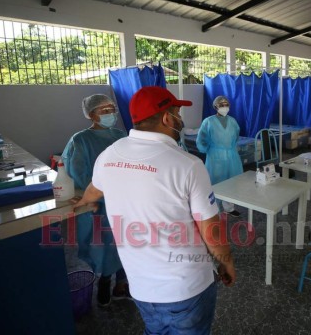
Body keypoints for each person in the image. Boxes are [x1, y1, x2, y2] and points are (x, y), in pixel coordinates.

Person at [72, 86, 236, 335]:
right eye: (178, 113)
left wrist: (86, 202)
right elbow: (210, 228)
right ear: (167, 118)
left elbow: (93, 191)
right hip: (186, 287)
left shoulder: (108, 156)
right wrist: (226, 262)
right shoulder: (188, 165)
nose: (180, 119)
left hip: (141, 286)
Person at [62, 94, 130, 307]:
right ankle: (105, 280)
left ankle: (122, 284)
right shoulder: (80, 139)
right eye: (104, 110)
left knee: (126, 242)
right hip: (99, 202)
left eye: (112, 109)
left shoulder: (121, 135)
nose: (111, 113)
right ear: (91, 114)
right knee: (106, 245)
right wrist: (101, 190)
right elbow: (77, 171)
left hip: (125, 199)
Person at [196, 95, 242, 217]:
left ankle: (229, 207)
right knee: (215, 182)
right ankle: (213, 209)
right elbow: (201, 139)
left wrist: (231, 148)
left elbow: (236, 136)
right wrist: (208, 150)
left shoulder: (232, 121)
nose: (224, 107)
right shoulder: (209, 121)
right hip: (215, 156)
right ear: (215, 106)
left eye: (226, 104)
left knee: (232, 182)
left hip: (232, 155)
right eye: (221, 104)